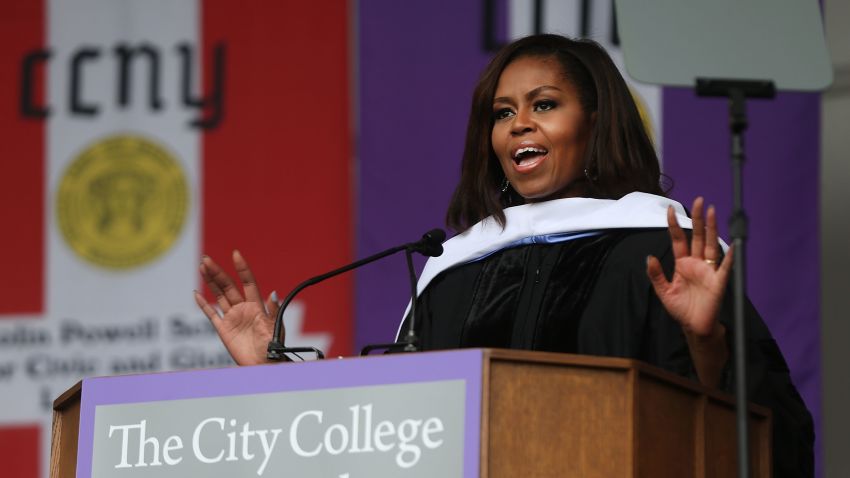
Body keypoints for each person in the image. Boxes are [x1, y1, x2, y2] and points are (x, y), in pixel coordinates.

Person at [195, 34, 813, 477]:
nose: (519, 125)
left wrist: (709, 343)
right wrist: (276, 380)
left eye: (544, 105)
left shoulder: (662, 245)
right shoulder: (450, 268)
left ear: (595, 124)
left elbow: (764, 439)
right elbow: (391, 436)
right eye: (503, 114)